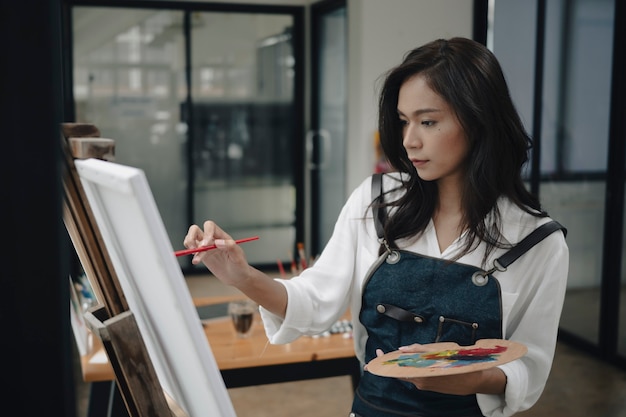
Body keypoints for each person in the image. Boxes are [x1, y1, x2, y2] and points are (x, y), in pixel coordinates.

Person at [184, 37, 569, 417]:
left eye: (428, 121)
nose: (408, 141)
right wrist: (242, 276)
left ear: (479, 120)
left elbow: (528, 366)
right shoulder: (377, 202)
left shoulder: (537, 242)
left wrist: (472, 380)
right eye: (403, 122)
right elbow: (315, 300)